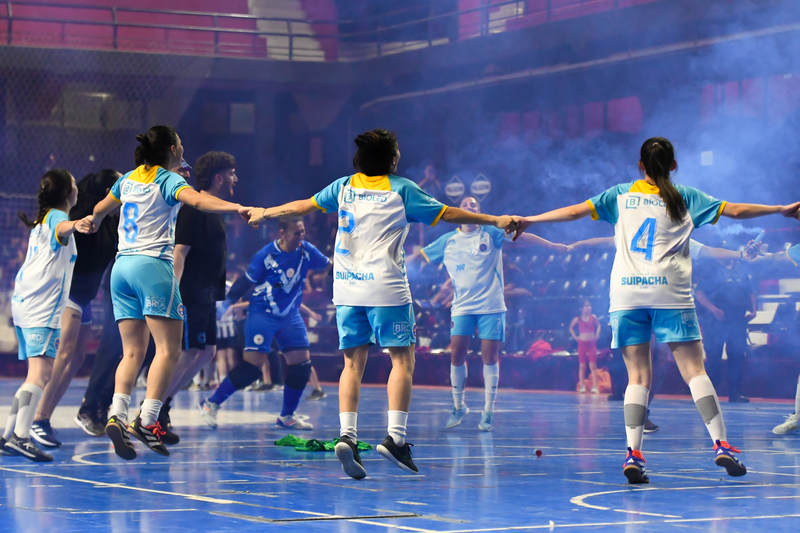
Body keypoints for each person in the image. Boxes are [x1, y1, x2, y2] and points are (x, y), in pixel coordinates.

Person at [511, 137, 800, 484]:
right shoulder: (686, 197)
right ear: (674, 165)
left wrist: (529, 220)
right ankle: (720, 444)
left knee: (637, 377)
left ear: (640, 165)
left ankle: (633, 453)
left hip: (627, 295)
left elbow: (573, 212)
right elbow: (736, 210)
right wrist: (781, 209)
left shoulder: (620, 195)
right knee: (695, 371)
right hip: (670, 293)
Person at [246, 129, 517, 480]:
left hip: (347, 290)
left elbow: (302, 206)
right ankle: (396, 439)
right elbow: (449, 214)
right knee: (402, 360)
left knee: (351, 365)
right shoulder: (402, 189)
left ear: (359, 159)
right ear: (392, 160)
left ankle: (347, 436)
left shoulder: (343, 186)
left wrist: (265, 212)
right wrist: (495, 220)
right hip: (387, 289)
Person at [87, 125, 250, 460]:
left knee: (132, 352)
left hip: (121, 268)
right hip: (152, 267)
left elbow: (101, 209)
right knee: (169, 350)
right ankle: (147, 421)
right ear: (174, 148)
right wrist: (237, 208)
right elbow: (198, 200)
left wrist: (94, 221)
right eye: (181, 142)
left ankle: (117, 414)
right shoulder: (167, 180)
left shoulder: (127, 179)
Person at [413, 195, 566, 431]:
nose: (469, 207)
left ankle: (488, 411)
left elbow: (523, 236)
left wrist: (553, 246)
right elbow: (418, 257)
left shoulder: (491, 233)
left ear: (480, 211)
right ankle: (459, 406)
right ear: (458, 211)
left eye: (473, 205)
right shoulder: (447, 241)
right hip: (462, 307)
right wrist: (393, 260)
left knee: (489, 357)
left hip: (491, 306)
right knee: (456, 356)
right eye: (465, 205)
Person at [198, 217, 330, 430]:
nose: (301, 237)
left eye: (303, 231)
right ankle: (210, 403)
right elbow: (245, 282)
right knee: (252, 369)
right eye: (296, 233)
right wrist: (228, 303)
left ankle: (286, 417)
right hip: (262, 314)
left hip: (290, 315)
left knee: (302, 366)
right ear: (282, 233)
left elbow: (330, 268)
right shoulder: (265, 256)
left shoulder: (307, 250)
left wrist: (352, 276)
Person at [1, 169, 92, 461]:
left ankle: (9, 436)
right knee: (42, 374)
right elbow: (62, 227)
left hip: (26, 303)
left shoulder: (42, 220)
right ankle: (21, 437)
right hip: (40, 307)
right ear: (67, 192)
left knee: (34, 375)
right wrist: (76, 223)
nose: (77, 187)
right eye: (74, 184)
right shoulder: (55, 217)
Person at [28, 170, 121, 447]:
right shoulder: (79, 216)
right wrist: (76, 224)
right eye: (120, 186)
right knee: (64, 354)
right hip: (65, 292)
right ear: (108, 192)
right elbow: (59, 228)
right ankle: (37, 419)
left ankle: (45, 417)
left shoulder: (111, 222)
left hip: (84, 296)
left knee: (77, 357)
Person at [154, 151, 239, 445]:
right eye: (232, 173)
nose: (235, 179)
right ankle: (152, 410)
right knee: (189, 352)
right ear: (218, 178)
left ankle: (161, 405)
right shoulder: (194, 209)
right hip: (190, 293)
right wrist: (173, 293)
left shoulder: (214, 211)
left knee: (207, 353)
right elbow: (179, 253)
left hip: (208, 294)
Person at [570, 300, 601, 394]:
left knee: (593, 365)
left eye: (589, 306)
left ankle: (595, 386)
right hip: (582, 344)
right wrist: (575, 337)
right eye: (586, 306)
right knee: (582, 366)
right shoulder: (578, 319)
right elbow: (571, 328)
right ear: (581, 309)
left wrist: (597, 333)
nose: (589, 308)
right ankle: (582, 385)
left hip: (591, 344)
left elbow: (599, 325)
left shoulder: (593, 317)